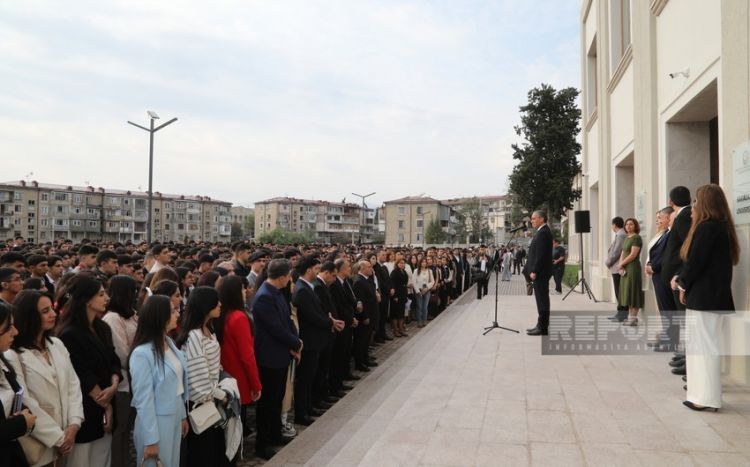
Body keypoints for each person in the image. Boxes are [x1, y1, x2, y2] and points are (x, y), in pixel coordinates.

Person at [676, 184, 740, 412]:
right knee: (706, 348)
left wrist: (681, 282)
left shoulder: (706, 228)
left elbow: (695, 263)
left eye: (696, 200)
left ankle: (705, 398)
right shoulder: (722, 227)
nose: (693, 204)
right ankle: (704, 395)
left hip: (704, 298)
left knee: (702, 349)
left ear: (704, 203)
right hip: (715, 297)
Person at [55, 273, 121, 467]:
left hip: (106, 401)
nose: (107, 298)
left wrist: (115, 384)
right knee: (82, 461)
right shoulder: (70, 334)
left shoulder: (102, 328)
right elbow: (81, 374)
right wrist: (105, 404)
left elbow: (113, 361)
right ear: (86, 299)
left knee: (102, 459)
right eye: (101, 295)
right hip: (85, 410)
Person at [8, 291, 80, 467]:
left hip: (67, 436)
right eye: (45, 311)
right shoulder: (14, 355)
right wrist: (58, 437)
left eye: (52, 309)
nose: (53, 314)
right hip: (39, 441)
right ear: (30, 316)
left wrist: (74, 423)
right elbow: (25, 401)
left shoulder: (57, 344)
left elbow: (73, 385)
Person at [129, 295, 189, 467]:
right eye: (172, 311)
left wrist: (182, 415)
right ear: (159, 317)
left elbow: (178, 384)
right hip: (156, 419)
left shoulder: (169, 343)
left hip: (175, 412)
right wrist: (151, 439)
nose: (177, 314)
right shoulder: (142, 353)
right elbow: (143, 400)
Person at [252, 259, 302, 460]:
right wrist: (296, 343)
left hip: (281, 354)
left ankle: (274, 434)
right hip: (269, 356)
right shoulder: (264, 297)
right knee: (267, 403)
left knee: (277, 399)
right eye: (289, 275)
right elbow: (275, 328)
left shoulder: (277, 293)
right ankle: (262, 444)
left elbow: (287, 320)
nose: (290, 279)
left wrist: (295, 341)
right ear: (281, 277)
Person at [176, 287, 231, 467]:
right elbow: (199, 381)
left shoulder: (208, 329)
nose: (220, 305)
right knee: (203, 455)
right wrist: (222, 395)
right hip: (201, 403)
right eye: (216, 301)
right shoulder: (194, 336)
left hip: (211, 400)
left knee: (214, 453)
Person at [216, 275, 262, 438]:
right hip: (239, 377)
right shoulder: (238, 317)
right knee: (235, 426)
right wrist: (256, 384)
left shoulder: (222, 315)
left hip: (225, 374)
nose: (245, 291)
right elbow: (247, 356)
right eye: (242, 288)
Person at [101, 275, 139, 467]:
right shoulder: (112, 318)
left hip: (132, 381)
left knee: (125, 431)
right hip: (122, 383)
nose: (136, 295)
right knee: (120, 431)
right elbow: (122, 353)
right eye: (133, 291)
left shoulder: (129, 314)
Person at [292, 257, 333, 426]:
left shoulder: (308, 287)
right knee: (304, 379)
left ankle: (308, 407)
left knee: (310, 377)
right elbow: (311, 316)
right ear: (309, 270)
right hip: (308, 341)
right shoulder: (302, 289)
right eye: (317, 268)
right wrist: (329, 322)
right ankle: (301, 413)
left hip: (314, 340)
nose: (318, 272)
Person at [0, 301, 37, 467]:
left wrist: (23, 415)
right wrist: (20, 424)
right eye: (8, 327)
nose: (15, 332)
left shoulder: (3, 363)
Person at [662, 186, 692, 372]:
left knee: (685, 319)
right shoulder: (684, 215)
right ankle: (685, 356)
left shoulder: (683, 217)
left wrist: (679, 275)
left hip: (678, 278)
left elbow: (688, 249)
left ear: (671, 202)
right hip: (675, 277)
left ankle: (688, 360)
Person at [645, 207, 675, 348]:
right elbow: (656, 253)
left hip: (663, 275)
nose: (658, 220)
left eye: (660, 217)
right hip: (657, 275)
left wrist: (654, 267)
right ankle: (667, 338)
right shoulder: (665, 233)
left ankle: (671, 341)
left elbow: (666, 256)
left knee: (668, 309)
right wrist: (650, 264)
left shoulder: (670, 234)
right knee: (664, 309)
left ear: (669, 217)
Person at [524, 211, 553, 336]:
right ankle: (540, 325)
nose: (532, 221)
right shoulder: (542, 231)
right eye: (532, 219)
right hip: (541, 272)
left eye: (534, 218)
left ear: (541, 219)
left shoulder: (543, 233)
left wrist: (534, 271)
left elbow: (540, 255)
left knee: (542, 300)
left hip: (540, 273)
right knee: (541, 300)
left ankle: (542, 328)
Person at [618, 218, 644, 326]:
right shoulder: (627, 238)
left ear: (635, 226)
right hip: (625, 267)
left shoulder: (636, 238)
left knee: (633, 292)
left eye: (631, 224)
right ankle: (630, 318)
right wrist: (620, 266)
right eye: (627, 224)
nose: (628, 226)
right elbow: (622, 253)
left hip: (633, 268)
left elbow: (633, 255)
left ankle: (633, 318)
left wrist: (621, 264)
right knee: (627, 292)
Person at [604, 217, 628, 322]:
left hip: (617, 267)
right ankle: (620, 313)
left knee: (619, 292)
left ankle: (622, 315)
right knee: (619, 292)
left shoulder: (621, 235)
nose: (612, 227)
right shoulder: (620, 234)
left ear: (614, 225)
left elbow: (617, 251)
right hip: (616, 267)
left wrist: (608, 262)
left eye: (612, 225)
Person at [412, 259, 434, 328]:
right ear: (420, 263)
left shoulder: (430, 271)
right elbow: (414, 281)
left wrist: (427, 288)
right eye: (422, 262)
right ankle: (419, 322)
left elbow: (432, 281)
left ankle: (424, 321)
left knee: (425, 307)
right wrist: (418, 291)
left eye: (425, 262)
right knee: (419, 307)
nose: (424, 263)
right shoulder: (416, 271)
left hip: (427, 290)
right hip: (419, 291)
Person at [389, 258, 409, 337]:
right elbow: (392, 284)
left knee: (401, 313)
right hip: (396, 295)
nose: (402, 264)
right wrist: (395, 296)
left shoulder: (404, 271)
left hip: (403, 294)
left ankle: (401, 329)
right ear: (397, 264)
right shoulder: (394, 272)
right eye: (400, 263)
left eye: (403, 263)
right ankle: (395, 330)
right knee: (395, 314)